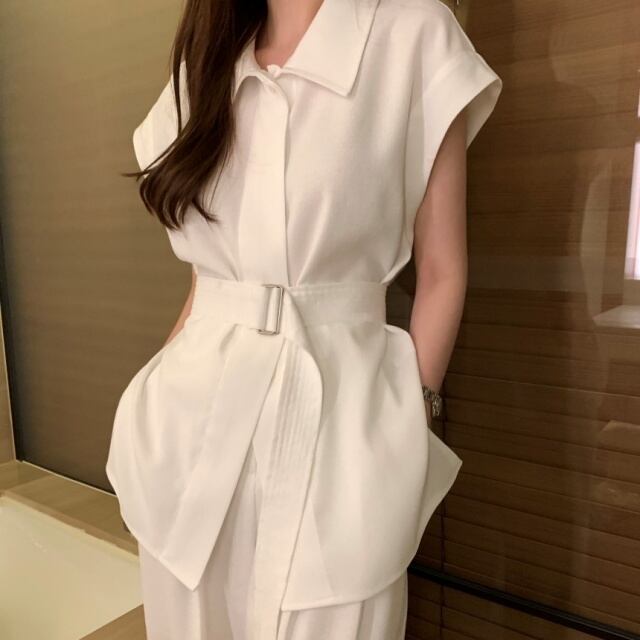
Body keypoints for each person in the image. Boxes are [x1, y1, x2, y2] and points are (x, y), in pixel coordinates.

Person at [105, 0, 503, 638]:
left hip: (344, 446)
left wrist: (414, 419)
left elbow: (442, 272)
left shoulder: (413, 33)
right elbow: (205, 278)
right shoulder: (201, 65)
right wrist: (152, 398)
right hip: (188, 443)